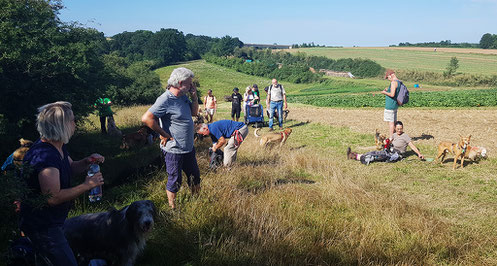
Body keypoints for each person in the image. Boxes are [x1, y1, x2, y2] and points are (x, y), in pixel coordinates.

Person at [20, 101, 105, 266]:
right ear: (61, 125)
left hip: (53, 222)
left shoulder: (57, 146)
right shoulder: (45, 155)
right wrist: (87, 185)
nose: (75, 123)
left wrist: (87, 161)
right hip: (42, 226)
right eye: (72, 120)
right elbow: (52, 197)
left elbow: (71, 167)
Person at [141, 67, 200, 209]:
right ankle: (173, 208)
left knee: (195, 177)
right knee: (175, 180)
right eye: (189, 82)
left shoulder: (183, 97)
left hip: (188, 147)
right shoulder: (165, 99)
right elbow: (147, 118)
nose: (192, 85)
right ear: (180, 83)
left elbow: (194, 112)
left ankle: (196, 204)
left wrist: (194, 97)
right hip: (174, 149)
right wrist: (163, 134)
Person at [347, 121, 424, 165]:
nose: (399, 130)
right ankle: (355, 155)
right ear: (395, 128)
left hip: (397, 154)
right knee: (375, 152)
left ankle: (362, 158)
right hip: (390, 150)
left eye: (400, 129)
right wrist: (384, 141)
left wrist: (419, 154)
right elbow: (388, 141)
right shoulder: (394, 134)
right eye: (397, 129)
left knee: (379, 156)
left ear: (402, 128)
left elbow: (412, 146)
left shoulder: (405, 136)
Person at [381, 69, 401, 140]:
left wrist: (384, 92)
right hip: (395, 104)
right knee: (394, 121)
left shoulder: (393, 83)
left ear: (391, 75)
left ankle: (391, 138)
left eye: (388, 77)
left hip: (390, 105)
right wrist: (388, 89)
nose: (388, 79)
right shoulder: (399, 82)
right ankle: (396, 136)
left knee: (391, 123)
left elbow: (392, 94)